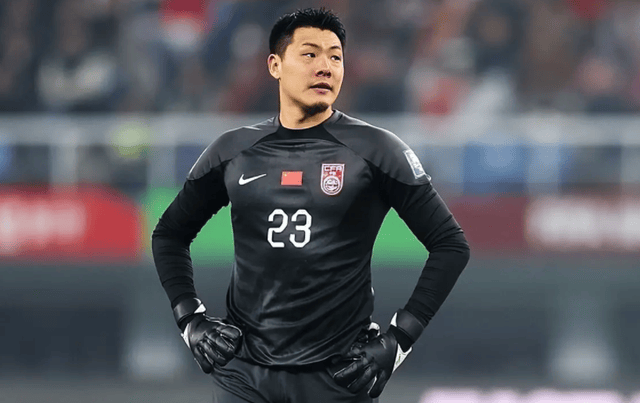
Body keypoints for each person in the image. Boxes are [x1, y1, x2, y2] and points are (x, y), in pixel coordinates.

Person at [152, 7, 470, 403]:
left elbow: (450, 245)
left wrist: (399, 339)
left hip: (339, 377)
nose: (325, 67)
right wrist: (190, 321)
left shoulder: (378, 150)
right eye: (309, 54)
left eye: (335, 57)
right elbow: (169, 234)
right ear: (275, 65)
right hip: (244, 377)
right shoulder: (232, 150)